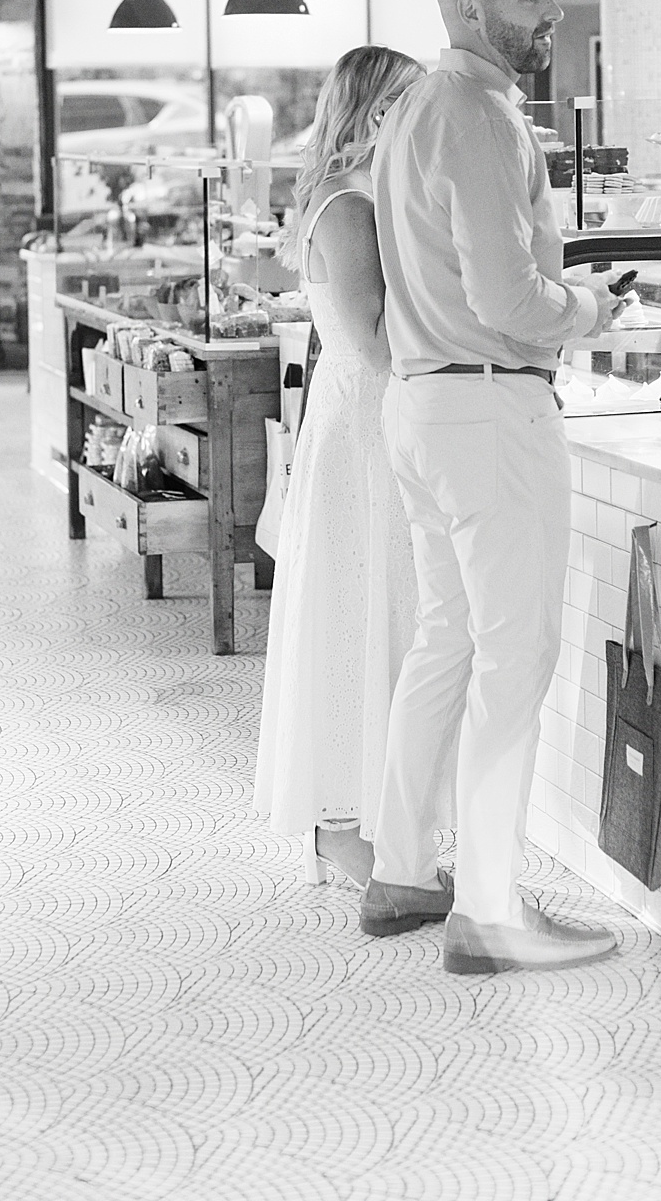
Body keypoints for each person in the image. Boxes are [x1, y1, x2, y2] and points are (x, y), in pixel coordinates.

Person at [361, 0, 623, 973]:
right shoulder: (476, 114)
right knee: (516, 658)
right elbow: (508, 298)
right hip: (487, 412)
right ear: (468, 10)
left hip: (426, 406)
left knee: (449, 642)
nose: (550, 12)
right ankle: (490, 910)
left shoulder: (418, 108)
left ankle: (404, 871)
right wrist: (596, 308)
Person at [254, 45, 426, 891]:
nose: (415, 117)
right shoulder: (350, 205)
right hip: (366, 426)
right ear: (368, 111)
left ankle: (363, 814)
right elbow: (375, 341)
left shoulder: (352, 194)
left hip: (358, 422)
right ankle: (341, 825)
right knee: (360, 614)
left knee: (371, 611)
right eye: (403, 102)